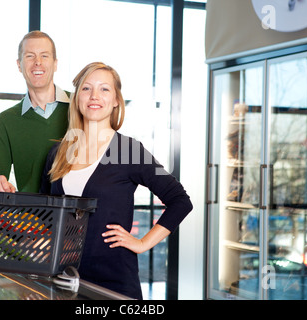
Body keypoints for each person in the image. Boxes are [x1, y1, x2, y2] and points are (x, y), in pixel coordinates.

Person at [40, 62, 193, 299]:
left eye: (104, 89)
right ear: (77, 98)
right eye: (86, 88)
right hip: (63, 280)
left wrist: (142, 243)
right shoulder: (58, 153)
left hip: (113, 283)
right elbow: (45, 215)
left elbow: (180, 201)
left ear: (116, 101)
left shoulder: (129, 151)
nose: (94, 96)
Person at [0, 31, 70, 193]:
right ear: (19, 65)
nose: (37, 62)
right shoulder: (6, 121)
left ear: (55, 63)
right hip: (31, 217)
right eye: (30, 56)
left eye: (44, 56)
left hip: (83, 216)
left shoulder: (81, 106)